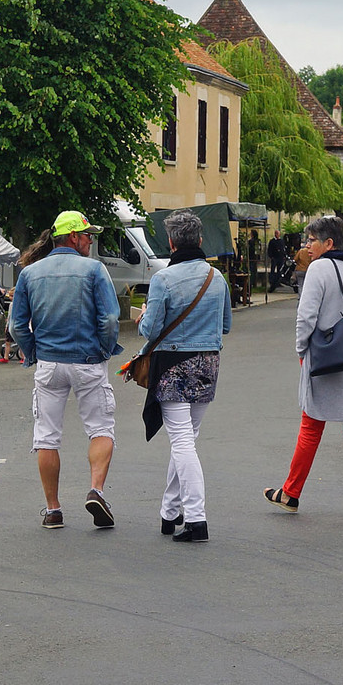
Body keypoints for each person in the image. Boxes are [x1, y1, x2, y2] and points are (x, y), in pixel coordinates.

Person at [8, 210, 123, 531]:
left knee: (46, 437)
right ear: (74, 237)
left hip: (49, 363)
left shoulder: (31, 274)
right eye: (88, 235)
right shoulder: (93, 270)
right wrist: (105, 348)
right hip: (87, 361)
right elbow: (110, 320)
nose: (90, 241)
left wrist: (33, 352)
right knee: (101, 428)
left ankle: (53, 509)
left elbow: (16, 325)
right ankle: (96, 490)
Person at [265, 215, 343, 515]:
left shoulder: (319, 268)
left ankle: (291, 492)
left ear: (329, 243)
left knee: (311, 425)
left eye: (312, 240)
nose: (307, 245)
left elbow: (306, 316)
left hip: (326, 356)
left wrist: (301, 351)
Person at [137, 210, 232, 543]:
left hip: (173, 365)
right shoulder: (216, 278)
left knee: (181, 442)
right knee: (187, 439)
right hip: (208, 364)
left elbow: (149, 330)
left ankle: (196, 519)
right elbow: (225, 325)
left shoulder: (164, 279)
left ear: (172, 243)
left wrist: (143, 319)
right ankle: (169, 512)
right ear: (201, 240)